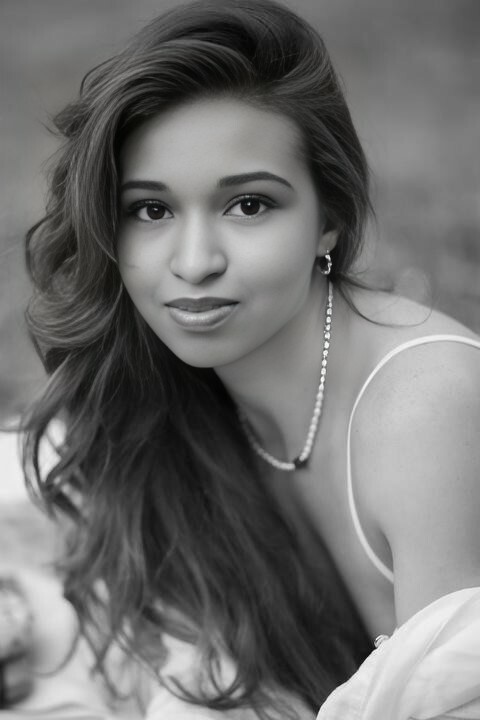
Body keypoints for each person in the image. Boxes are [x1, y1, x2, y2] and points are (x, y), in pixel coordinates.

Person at [4, 0, 480, 718]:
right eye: (152, 210)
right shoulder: (164, 391)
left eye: (249, 205)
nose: (195, 263)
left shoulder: (426, 410)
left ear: (329, 218)